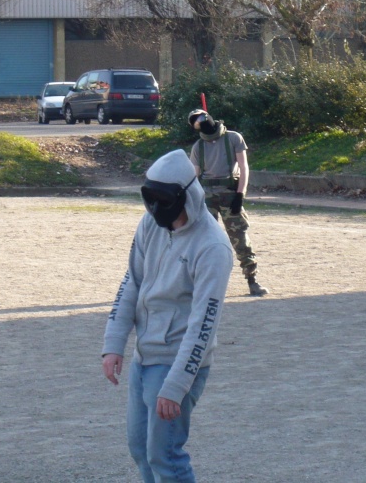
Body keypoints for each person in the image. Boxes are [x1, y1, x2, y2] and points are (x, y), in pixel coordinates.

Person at [102, 149, 233, 483]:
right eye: (151, 200)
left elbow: (204, 323)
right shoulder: (150, 224)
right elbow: (132, 280)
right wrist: (114, 342)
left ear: (186, 195)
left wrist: (176, 386)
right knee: (139, 449)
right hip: (143, 358)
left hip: (177, 363)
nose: (157, 209)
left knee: (165, 457)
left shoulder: (213, 247)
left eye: (164, 200)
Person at [187, 109, 269, 296]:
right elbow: (195, 176)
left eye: (200, 119)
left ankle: (252, 280)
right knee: (202, 241)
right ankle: (198, 283)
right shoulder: (198, 146)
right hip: (206, 197)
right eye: (195, 122)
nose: (200, 123)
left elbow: (243, 167)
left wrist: (240, 194)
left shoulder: (233, 138)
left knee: (240, 238)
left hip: (229, 194)